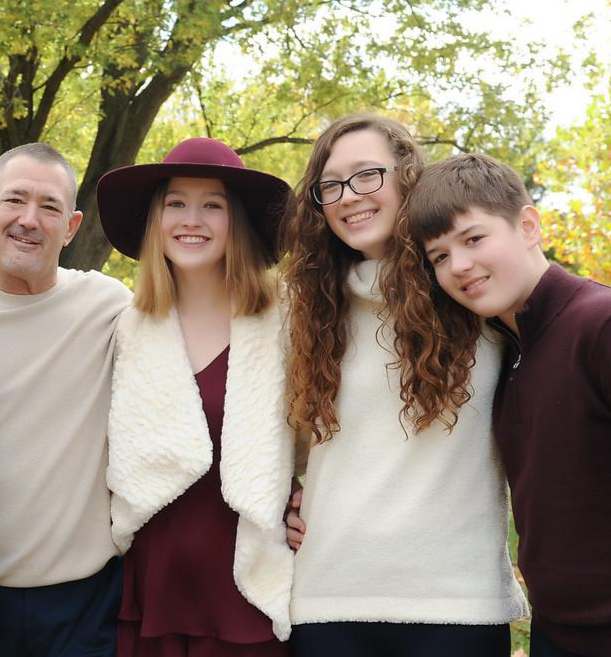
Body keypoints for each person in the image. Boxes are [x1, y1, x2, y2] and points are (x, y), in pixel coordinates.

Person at [280, 116, 526, 656]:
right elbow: (276, 442)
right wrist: (281, 502)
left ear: (408, 177)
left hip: (458, 603)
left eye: (367, 174)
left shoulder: (474, 292)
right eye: (330, 185)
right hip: (329, 598)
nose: (349, 195)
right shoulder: (304, 311)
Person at [97, 137, 295, 656]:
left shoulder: (285, 320)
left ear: (237, 223)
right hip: (154, 583)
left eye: (213, 205)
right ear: (156, 219)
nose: (192, 220)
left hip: (248, 584)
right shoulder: (127, 328)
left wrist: (308, 495)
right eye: (176, 203)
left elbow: (321, 435)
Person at [409, 153, 611, 657]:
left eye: (474, 239)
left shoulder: (598, 324)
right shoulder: (506, 351)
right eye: (439, 256)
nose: (458, 265)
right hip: (555, 633)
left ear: (528, 226)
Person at [0, 143, 132, 656]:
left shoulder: (109, 307)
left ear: (72, 226)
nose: (29, 220)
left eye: (50, 207)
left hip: (85, 607)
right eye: (14, 200)